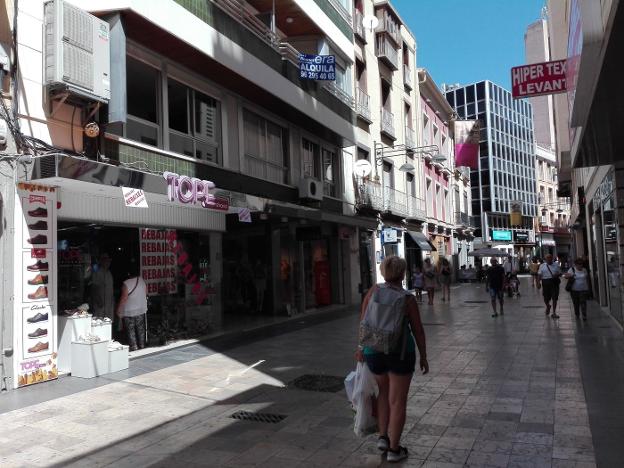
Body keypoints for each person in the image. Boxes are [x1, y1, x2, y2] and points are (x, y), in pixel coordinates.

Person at [355, 256, 428, 463]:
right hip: (400, 353)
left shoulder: (373, 291)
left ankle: (383, 438)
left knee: (383, 393)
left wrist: (360, 348)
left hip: (373, 352)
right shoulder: (407, 298)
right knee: (398, 401)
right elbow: (418, 330)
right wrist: (424, 356)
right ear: (403, 274)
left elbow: (363, 322)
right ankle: (395, 450)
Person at [115, 264, 148, 351]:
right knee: (141, 330)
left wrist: (118, 310)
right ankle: (142, 346)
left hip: (129, 312)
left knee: (131, 331)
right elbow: (145, 293)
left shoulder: (126, 284)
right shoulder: (142, 281)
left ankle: (134, 347)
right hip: (141, 310)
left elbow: (123, 299)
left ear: (129, 274)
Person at [90, 253, 114, 320]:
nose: (108, 263)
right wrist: (98, 300)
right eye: (106, 261)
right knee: (99, 322)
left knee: (108, 323)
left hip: (109, 304)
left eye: (108, 261)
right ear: (101, 262)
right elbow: (94, 287)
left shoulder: (109, 273)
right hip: (100, 304)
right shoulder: (97, 272)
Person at [538, 253, 561, 319]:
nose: (549, 259)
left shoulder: (556, 265)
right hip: (545, 282)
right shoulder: (542, 266)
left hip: (554, 282)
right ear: (545, 259)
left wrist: (556, 275)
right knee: (545, 298)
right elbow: (539, 274)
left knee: (554, 298)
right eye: (547, 258)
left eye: (550, 257)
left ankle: (554, 312)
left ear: (552, 258)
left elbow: (560, 273)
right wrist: (538, 283)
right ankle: (548, 306)